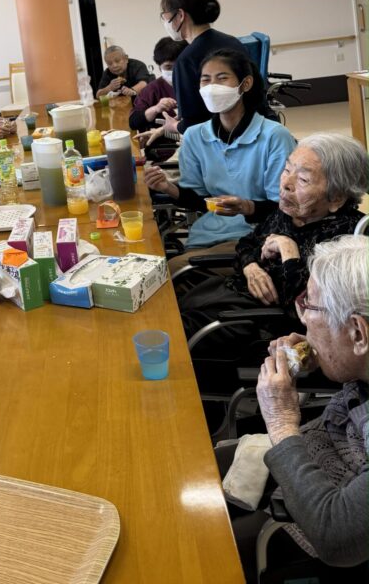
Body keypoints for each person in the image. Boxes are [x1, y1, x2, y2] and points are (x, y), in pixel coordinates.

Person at [233, 237, 369, 579]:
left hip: (333, 525)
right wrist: (322, 352)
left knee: (202, 541)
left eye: (312, 307)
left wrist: (280, 422)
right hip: (328, 451)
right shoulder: (361, 350)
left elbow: (336, 536)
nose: (303, 319)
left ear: (358, 331)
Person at [178, 133, 369, 350]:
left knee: (171, 330)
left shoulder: (349, 241)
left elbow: (309, 314)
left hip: (256, 323)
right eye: (287, 170)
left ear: (336, 198)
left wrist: (289, 252)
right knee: (168, 298)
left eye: (303, 180)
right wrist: (251, 267)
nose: (286, 184)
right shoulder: (290, 212)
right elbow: (246, 243)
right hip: (231, 295)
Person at [143, 50, 296, 265]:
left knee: (171, 275)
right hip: (207, 235)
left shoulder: (274, 137)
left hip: (259, 239)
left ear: (245, 84)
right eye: (205, 80)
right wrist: (167, 188)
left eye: (222, 78)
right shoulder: (196, 136)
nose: (212, 87)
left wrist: (246, 207)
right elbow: (200, 200)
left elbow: (284, 209)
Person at [159, 0, 248, 133]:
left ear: (180, 15)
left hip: (219, 139)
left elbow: (193, 124)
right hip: (253, 128)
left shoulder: (186, 60)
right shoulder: (234, 42)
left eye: (164, 15)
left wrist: (172, 127)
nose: (164, 21)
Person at [128, 37, 186, 132]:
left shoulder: (198, 84)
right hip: (166, 141)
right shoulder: (152, 89)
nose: (175, 71)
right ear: (159, 67)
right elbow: (133, 122)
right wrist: (156, 108)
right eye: (168, 67)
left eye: (179, 65)